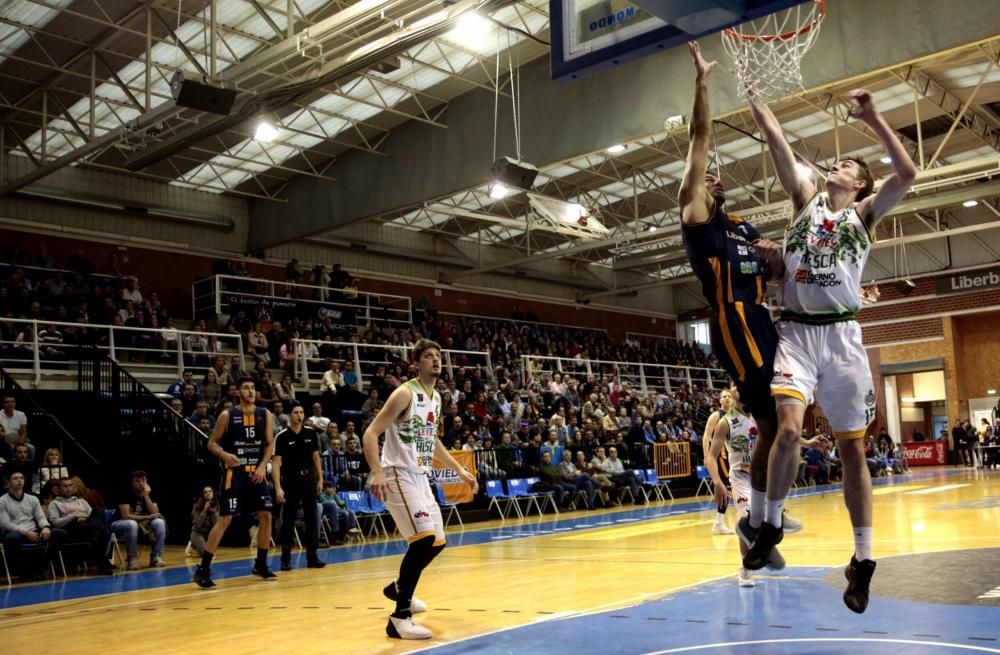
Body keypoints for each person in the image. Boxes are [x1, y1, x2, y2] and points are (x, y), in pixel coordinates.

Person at [741, 82, 917, 615]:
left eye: (846, 165)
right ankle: (768, 524)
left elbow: (908, 174)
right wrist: (755, 96)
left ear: (859, 182)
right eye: (834, 162)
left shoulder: (862, 217)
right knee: (788, 430)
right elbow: (775, 140)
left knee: (853, 450)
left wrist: (873, 116)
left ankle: (862, 560)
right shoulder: (803, 199)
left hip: (842, 340)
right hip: (796, 332)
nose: (835, 166)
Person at [678, 42, 798, 561]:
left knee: (783, 422)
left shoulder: (744, 227)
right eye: (702, 178)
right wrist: (703, 83)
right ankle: (756, 519)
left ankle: (762, 514)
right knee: (772, 422)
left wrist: (777, 256)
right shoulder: (697, 219)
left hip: (764, 320)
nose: (709, 177)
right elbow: (700, 136)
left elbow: (775, 270)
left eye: (711, 176)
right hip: (734, 323)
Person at [363, 338, 478, 640]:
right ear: (416, 363)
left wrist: (459, 469)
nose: (436, 360)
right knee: (424, 538)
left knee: (438, 542)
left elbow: (432, 441)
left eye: (438, 356)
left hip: (421, 477)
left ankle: (400, 587)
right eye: (429, 356)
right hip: (397, 473)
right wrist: (376, 472)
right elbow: (370, 433)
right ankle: (399, 617)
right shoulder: (404, 394)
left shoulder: (436, 398)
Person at [192, 377, 277, 588]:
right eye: (246, 388)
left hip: (256, 474)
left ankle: (261, 564)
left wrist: (261, 467)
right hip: (234, 474)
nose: (250, 391)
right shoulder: (227, 415)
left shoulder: (264, 414)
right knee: (225, 519)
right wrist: (224, 454)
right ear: (238, 392)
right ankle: (203, 569)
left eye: (253, 387)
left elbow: (269, 445)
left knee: (266, 515)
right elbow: (211, 443)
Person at [273, 403, 326, 570]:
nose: (299, 415)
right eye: (296, 412)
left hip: (309, 478)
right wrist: (278, 487)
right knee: (288, 519)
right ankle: (285, 559)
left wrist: (320, 479)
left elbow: (316, 457)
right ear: (290, 415)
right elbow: (275, 463)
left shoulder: (311, 433)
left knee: (312, 517)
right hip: (290, 480)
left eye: (302, 412)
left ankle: (312, 556)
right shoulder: (282, 436)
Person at [0, 471, 66, 580]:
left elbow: (40, 517)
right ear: (9, 483)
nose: (19, 480)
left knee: (61, 534)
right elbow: (5, 524)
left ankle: (44, 564)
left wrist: (45, 527)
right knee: (12, 538)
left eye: (21, 478)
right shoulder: (2, 501)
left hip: (34, 531)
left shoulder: (32, 499)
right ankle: (22, 571)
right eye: (15, 478)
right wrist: (25, 532)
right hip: (16, 532)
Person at [47, 477, 114, 575]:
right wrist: (74, 516)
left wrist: (84, 518)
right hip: (71, 530)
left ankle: (98, 554)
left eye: (70, 485)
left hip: (87, 527)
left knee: (98, 510)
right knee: (102, 532)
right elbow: (55, 523)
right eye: (65, 486)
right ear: (59, 489)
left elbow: (93, 516)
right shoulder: (54, 504)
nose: (68, 488)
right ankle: (101, 560)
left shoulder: (81, 501)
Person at [112, 471, 167, 570]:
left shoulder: (149, 493)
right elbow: (126, 516)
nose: (141, 483)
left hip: (141, 525)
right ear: (132, 483)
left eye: (143, 480)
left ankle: (155, 556)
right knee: (131, 523)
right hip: (119, 523)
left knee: (159, 522)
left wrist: (146, 495)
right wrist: (147, 517)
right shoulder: (125, 492)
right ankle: (132, 558)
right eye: (137, 481)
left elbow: (155, 514)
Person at [702, 389, 735, 535]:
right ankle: (719, 523)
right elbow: (705, 436)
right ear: (720, 400)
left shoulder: (735, 415)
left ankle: (719, 522)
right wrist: (706, 455)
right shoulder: (716, 415)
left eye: (729, 396)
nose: (727, 398)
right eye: (724, 397)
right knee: (726, 488)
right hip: (720, 456)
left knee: (731, 488)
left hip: (733, 455)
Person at [187, 486, 219, 557]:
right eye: (205, 492)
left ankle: (195, 547)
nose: (208, 493)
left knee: (210, 553)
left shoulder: (216, 506)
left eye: (210, 491)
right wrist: (204, 510)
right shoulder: (197, 506)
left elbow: (217, 526)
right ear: (203, 494)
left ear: (213, 493)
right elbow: (197, 524)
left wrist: (213, 513)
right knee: (208, 555)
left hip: (208, 535)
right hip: (197, 533)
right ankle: (192, 545)